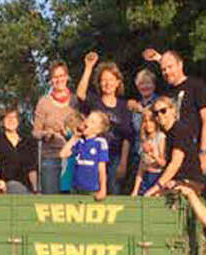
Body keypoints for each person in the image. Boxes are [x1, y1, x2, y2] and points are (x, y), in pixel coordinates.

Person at [142, 48, 206, 178]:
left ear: (180, 65)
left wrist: (203, 152)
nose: (167, 72)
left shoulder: (196, 85)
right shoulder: (167, 92)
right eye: (164, 69)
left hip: (191, 151)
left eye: (170, 67)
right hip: (171, 151)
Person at [75, 52, 136, 194]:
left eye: (110, 79)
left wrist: (123, 162)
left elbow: (127, 137)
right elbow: (80, 94)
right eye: (103, 80)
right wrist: (89, 67)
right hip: (93, 156)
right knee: (93, 191)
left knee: (113, 190)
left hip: (114, 156)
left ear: (117, 82)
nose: (107, 83)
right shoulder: (94, 102)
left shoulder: (124, 106)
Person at [143, 95, 205, 195]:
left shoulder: (179, 131)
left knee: (155, 196)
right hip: (174, 181)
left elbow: (175, 163)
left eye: (163, 111)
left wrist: (156, 187)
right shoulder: (165, 134)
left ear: (173, 110)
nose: (159, 115)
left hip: (190, 182)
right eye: (156, 113)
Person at [32, 60, 77, 194]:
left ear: (67, 77)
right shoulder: (44, 102)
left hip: (73, 158)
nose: (59, 80)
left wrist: (70, 132)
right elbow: (35, 132)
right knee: (51, 200)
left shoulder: (76, 101)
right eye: (55, 77)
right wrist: (47, 134)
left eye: (62, 76)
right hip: (50, 157)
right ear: (51, 80)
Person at [60, 110, 110, 200]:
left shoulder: (100, 142)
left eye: (92, 122)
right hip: (76, 188)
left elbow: (102, 168)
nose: (88, 123)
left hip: (92, 189)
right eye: (88, 119)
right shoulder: (80, 142)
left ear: (98, 129)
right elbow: (63, 154)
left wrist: (103, 190)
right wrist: (74, 137)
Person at [130, 112, 166, 196]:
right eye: (145, 121)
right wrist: (135, 189)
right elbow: (141, 167)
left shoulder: (160, 137)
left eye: (151, 121)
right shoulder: (144, 140)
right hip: (146, 177)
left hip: (157, 177)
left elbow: (163, 163)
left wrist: (154, 155)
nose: (148, 124)